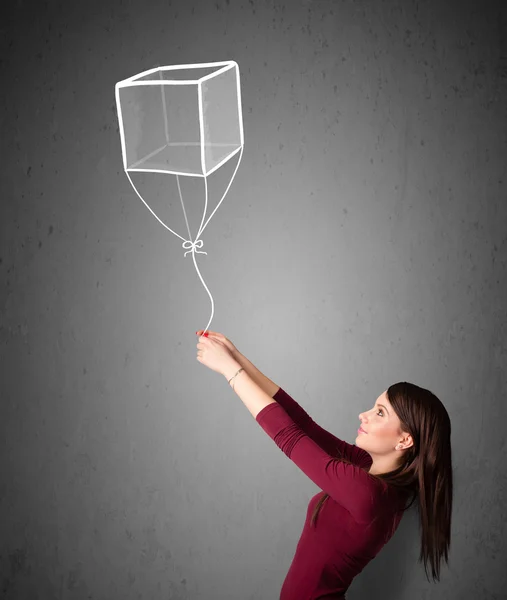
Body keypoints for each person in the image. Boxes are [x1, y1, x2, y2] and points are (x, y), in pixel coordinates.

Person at [196, 330, 453, 599]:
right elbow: (302, 424)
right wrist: (235, 356)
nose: (363, 415)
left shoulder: (369, 493)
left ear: (404, 440)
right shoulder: (368, 469)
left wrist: (230, 370)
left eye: (379, 413)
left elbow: (289, 437)